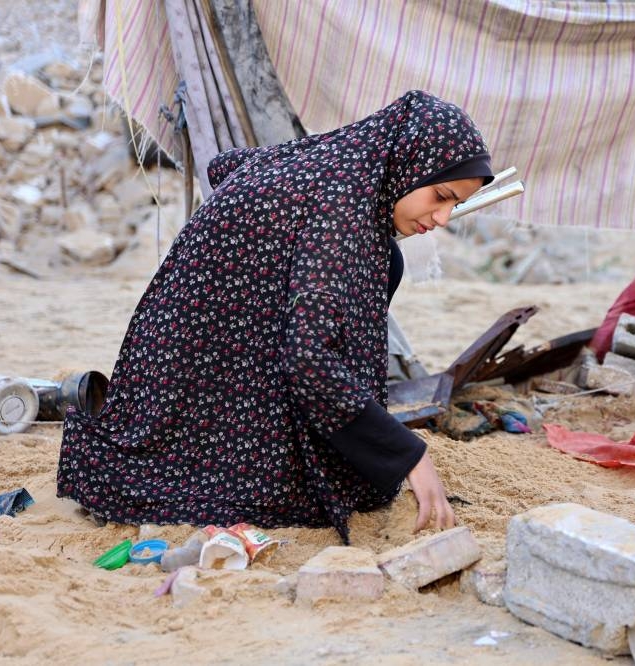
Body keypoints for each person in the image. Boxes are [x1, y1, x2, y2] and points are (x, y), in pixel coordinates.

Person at [57, 90, 493, 543]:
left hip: (181, 335)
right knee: (289, 489)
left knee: (386, 258)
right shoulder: (342, 202)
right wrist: (410, 458)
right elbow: (307, 359)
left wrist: (259, 251)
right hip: (187, 359)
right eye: (440, 196)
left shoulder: (340, 160)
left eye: (454, 206)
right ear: (408, 162)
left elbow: (225, 164)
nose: (442, 218)